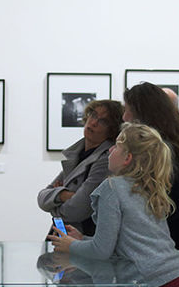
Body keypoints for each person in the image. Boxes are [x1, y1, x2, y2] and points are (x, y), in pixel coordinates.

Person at [47, 123, 179, 287]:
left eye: (116, 146)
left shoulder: (111, 188)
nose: (109, 150)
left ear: (127, 158)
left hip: (155, 286)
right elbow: (123, 241)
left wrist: (70, 246)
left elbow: (102, 251)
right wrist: (82, 240)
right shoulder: (148, 186)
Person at [122, 83, 179, 256]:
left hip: (161, 243)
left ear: (142, 114)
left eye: (128, 110)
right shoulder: (173, 142)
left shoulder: (160, 149)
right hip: (167, 238)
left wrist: (155, 215)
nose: (124, 117)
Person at [37, 99, 123, 235]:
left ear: (112, 130)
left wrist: (54, 203)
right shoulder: (77, 153)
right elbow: (41, 197)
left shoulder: (106, 159)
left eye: (103, 121)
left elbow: (79, 209)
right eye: (93, 115)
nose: (93, 123)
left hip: (84, 237)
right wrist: (64, 195)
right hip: (62, 232)